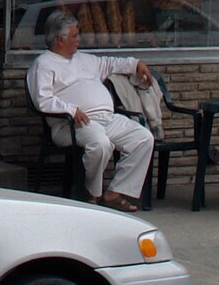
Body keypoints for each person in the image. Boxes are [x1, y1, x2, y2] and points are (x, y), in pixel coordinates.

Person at [27, 11, 155, 209]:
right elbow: (42, 100)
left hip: (107, 118)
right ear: (60, 39)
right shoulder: (43, 64)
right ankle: (91, 192)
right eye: (75, 36)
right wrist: (70, 110)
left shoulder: (84, 59)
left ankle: (114, 193)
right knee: (100, 144)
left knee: (143, 138)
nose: (79, 39)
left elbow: (110, 63)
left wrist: (135, 63)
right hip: (71, 124)